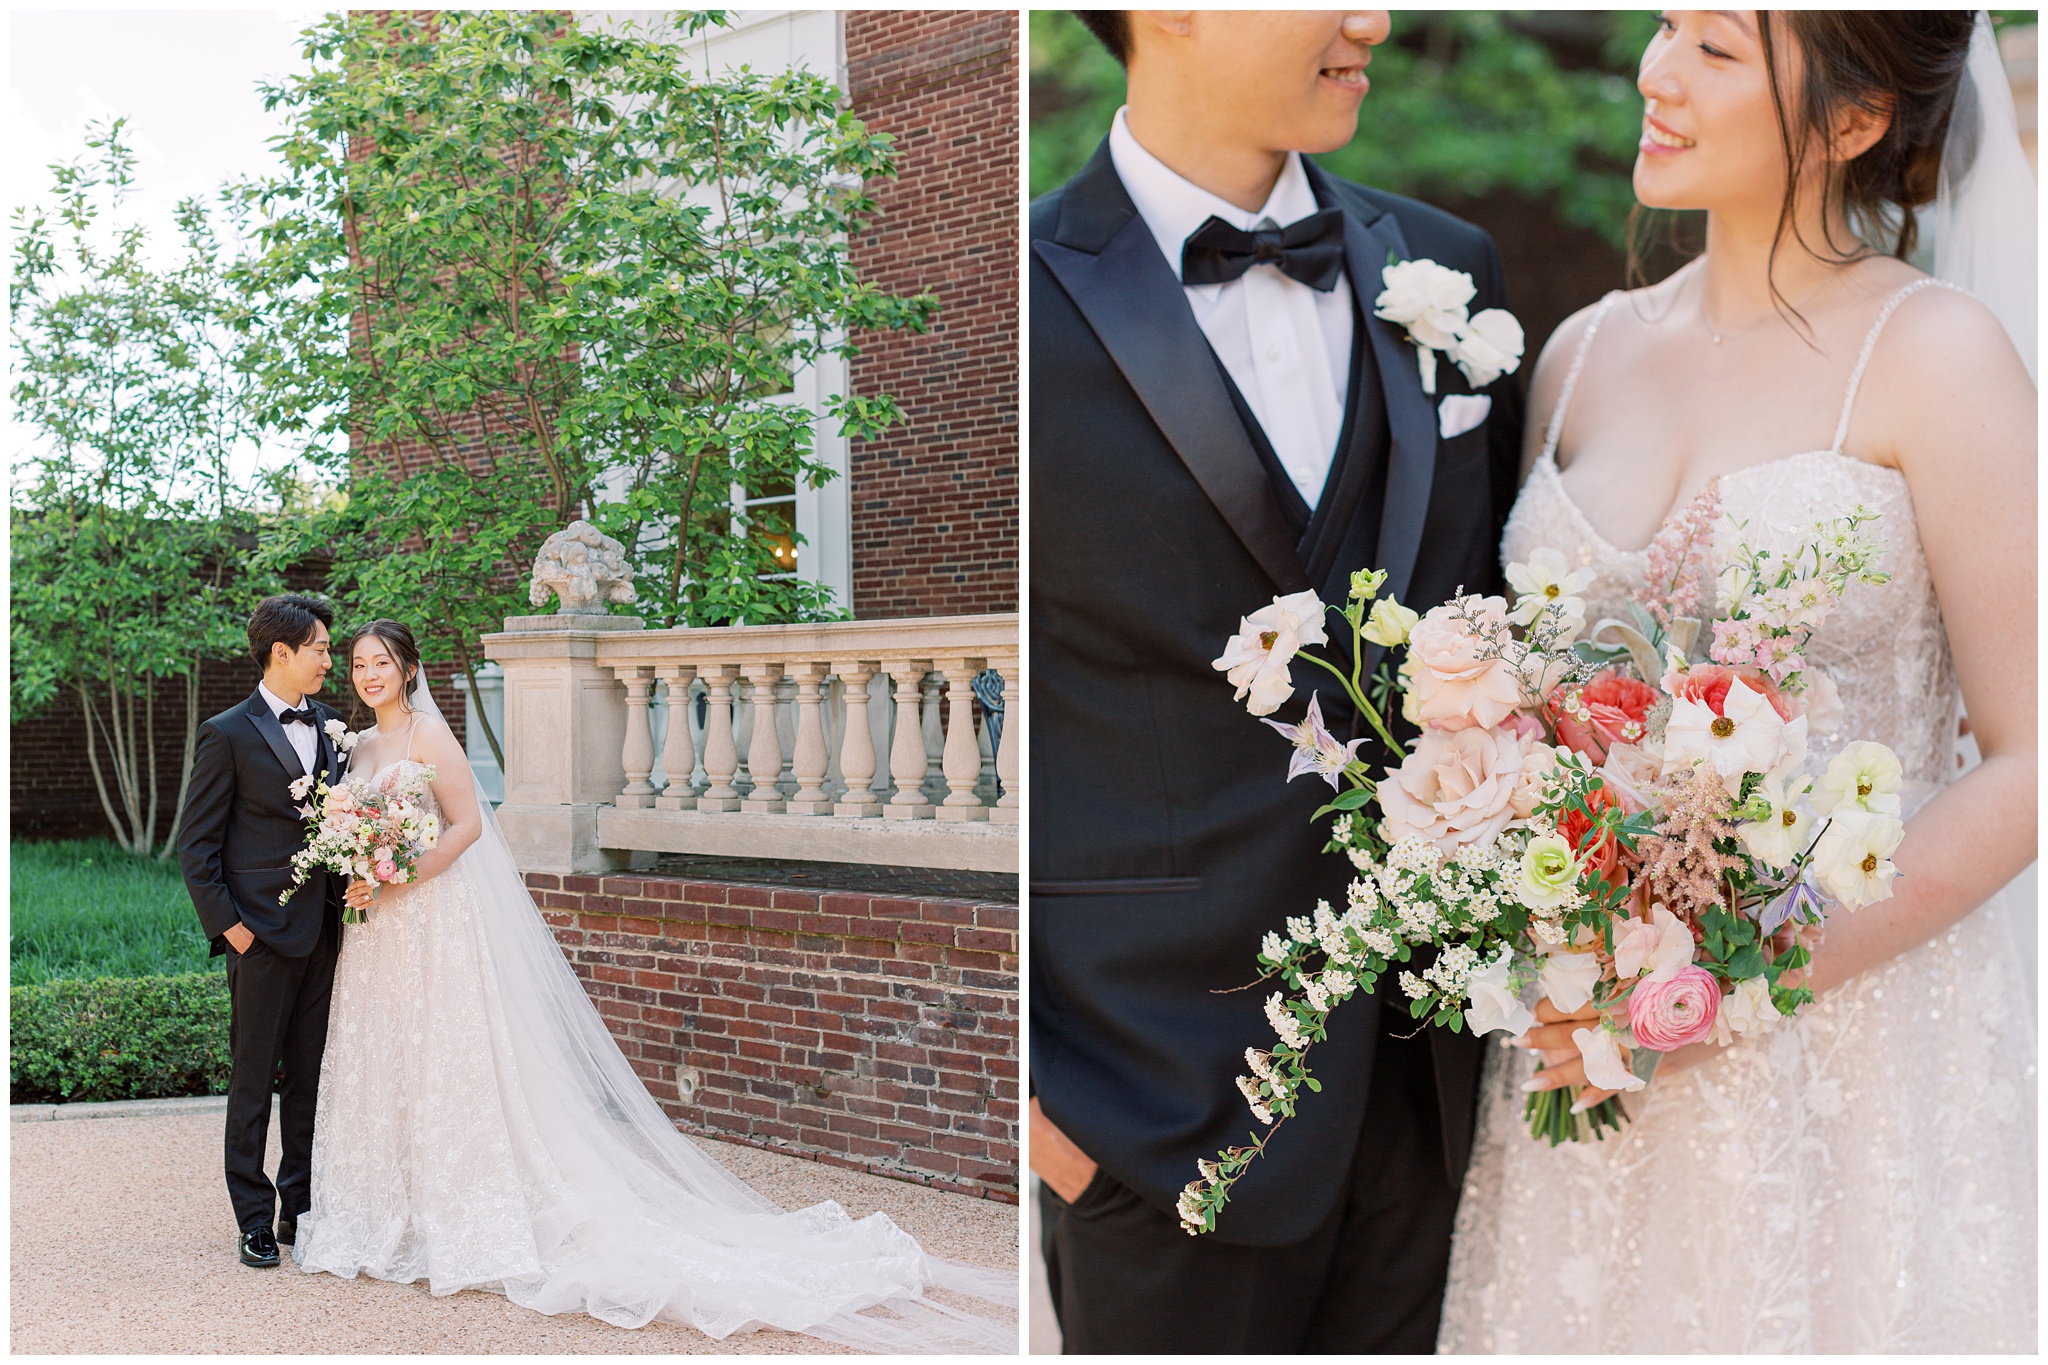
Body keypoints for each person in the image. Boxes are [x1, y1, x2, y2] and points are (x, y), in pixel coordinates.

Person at [1439, 11, 2036, 1352]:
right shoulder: (1581, 352)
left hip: (1846, 1060)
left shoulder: (1939, 354)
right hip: (1583, 1060)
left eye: (1713, 49)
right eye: (1663, 27)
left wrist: (1720, 990)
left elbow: (2030, 758)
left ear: (1853, 120)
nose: (1655, 73)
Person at [1029, 10, 1525, 1351]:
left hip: (1439, 1091)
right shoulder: (1014, 294)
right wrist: (1040, 1108)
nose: (1375, 19)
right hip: (1146, 1116)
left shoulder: (1452, 267)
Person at [290, 621, 1013, 1352]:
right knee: (388, 1057)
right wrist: (364, 873)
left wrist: (400, 874)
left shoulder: (425, 735)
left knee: (446, 1054)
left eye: (381, 662)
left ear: (409, 668)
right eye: (357, 663)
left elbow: (469, 825)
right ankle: (396, 1210)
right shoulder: (358, 744)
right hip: (377, 929)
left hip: (429, 918)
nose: (368, 673)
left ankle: (464, 1209)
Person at [178, 594, 348, 1269]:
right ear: (283, 651)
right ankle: (251, 1217)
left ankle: (295, 1209)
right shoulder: (227, 733)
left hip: (327, 934)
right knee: (254, 1082)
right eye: (322, 648)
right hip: (261, 939)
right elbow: (197, 849)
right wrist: (234, 931)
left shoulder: (335, 725)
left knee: (310, 1081)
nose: (329, 660)